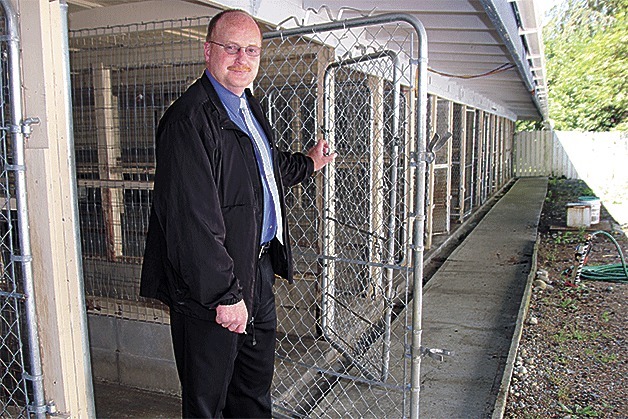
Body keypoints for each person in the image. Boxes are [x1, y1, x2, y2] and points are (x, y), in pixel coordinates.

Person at [139, 8, 336, 419]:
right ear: (208, 51)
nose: (242, 59)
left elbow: (263, 167)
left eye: (252, 50)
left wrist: (309, 163)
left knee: (252, 393)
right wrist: (225, 296)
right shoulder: (189, 120)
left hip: (257, 271)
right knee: (208, 402)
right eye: (231, 48)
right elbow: (190, 221)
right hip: (210, 290)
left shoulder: (246, 105)